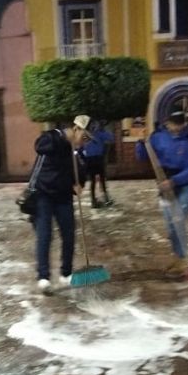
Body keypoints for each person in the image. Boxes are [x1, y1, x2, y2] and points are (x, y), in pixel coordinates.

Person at [135, 110, 188, 277]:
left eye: (180, 124)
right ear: (167, 123)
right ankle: (177, 257)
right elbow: (142, 157)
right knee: (170, 225)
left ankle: (183, 260)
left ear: (184, 123)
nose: (177, 128)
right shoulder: (158, 137)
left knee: (178, 221)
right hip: (164, 182)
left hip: (184, 185)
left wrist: (173, 181)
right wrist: (141, 143)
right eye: (174, 124)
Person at [31, 115, 89, 293]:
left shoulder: (75, 152)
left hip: (63, 196)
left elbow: (79, 171)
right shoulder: (52, 136)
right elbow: (39, 146)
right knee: (45, 235)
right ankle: (43, 277)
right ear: (76, 129)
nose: (84, 142)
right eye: (84, 137)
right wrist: (64, 138)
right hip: (43, 195)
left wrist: (79, 184)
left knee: (69, 234)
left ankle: (66, 274)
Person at [81, 121, 115, 208]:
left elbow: (110, 138)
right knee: (100, 179)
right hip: (97, 159)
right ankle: (103, 199)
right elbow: (111, 138)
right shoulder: (97, 134)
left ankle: (96, 200)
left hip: (91, 159)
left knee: (95, 180)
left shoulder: (87, 135)